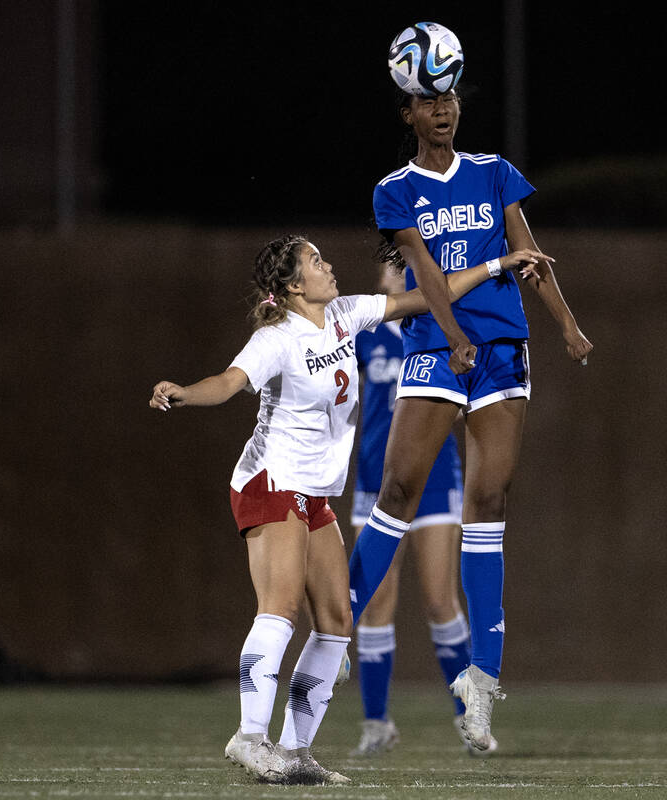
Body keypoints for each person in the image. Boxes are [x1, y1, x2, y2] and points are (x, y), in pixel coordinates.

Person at [148, 234, 544, 785]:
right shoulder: (276, 338)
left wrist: (497, 263)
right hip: (271, 482)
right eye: (315, 261)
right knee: (281, 608)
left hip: (316, 494)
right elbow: (230, 381)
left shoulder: (344, 314)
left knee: (335, 624)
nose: (327, 265)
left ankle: (295, 749)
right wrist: (185, 392)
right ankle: (249, 735)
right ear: (292, 286)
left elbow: (429, 293)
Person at [347, 87, 594, 754]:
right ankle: (334, 628)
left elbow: (531, 257)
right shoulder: (395, 190)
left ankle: (480, 691)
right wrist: (453, 335)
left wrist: (568, 328)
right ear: (408, 114)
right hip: (436, 346)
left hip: (502, 350)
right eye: (429, 101)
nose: (444, 109)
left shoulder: (492, 171)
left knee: (490, 502)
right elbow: (423, 274)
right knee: (397, 487)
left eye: (450, 96)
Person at [349, 262, 485, 757]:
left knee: (440, 602)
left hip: (433, 479)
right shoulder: (364, 334)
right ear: (383, 279)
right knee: (374, 606)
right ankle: (376, 723)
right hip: (377, 481)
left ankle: (471, 719)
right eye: (393, 265)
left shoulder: (436, 323)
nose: (400, 271)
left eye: (408, 266)